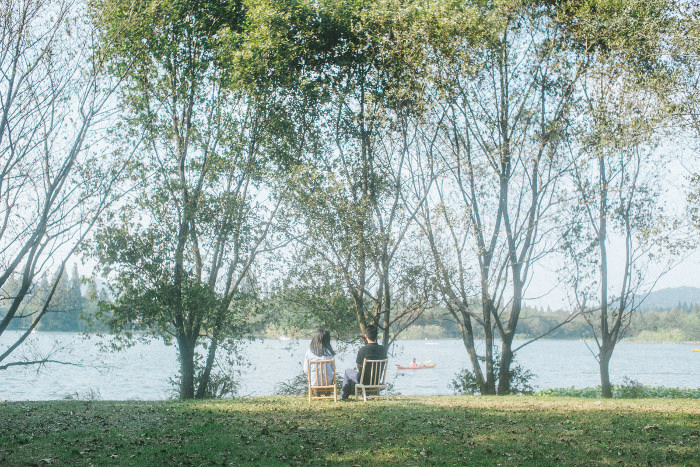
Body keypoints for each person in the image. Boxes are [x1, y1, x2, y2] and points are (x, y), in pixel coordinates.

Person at [341, 324, 387, 400]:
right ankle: (366, 394)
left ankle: (344, 396)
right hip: (377, 380)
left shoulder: (363, 350)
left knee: (347, 371)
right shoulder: (383, 349)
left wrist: (360, 373)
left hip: (364, 380)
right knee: (363, 375)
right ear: (376, 336)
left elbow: (358, 366)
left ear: (366, 336)